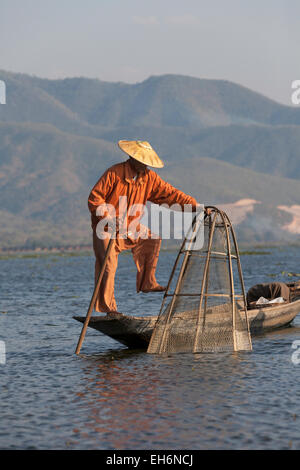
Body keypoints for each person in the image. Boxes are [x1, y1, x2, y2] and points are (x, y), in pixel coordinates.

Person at [88, 140, 206, 314]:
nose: (145, 165)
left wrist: (195, 206)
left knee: (151, 238)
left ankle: (147, 282)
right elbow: (95, 198)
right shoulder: (114, 173)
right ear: (132, 158)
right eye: (143, 161)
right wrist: (108, 218)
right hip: (106, 229)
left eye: (147, 162)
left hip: (130, 226)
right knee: (108, 265)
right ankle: (108, 308)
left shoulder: (149, 178)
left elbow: (171, 194)